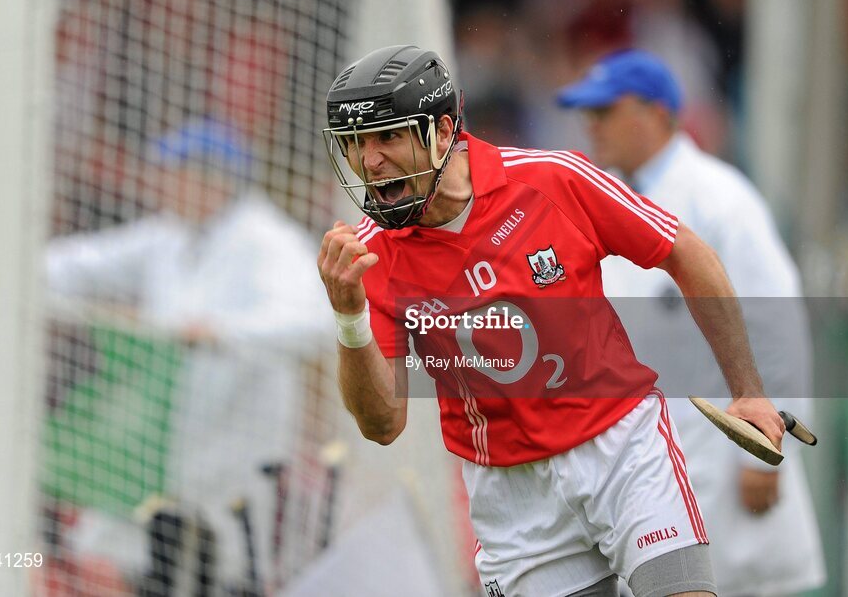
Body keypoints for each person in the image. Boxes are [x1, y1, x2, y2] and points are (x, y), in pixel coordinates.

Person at [317, 44, 786, 597]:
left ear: (442, 131)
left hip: (622, 450)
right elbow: (383, 424)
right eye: (356, 144)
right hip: (512, 498)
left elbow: (685, 253)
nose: (369, 162)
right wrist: (350, 319)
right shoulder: (368, 258)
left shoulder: (552, 179)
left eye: (388, 137)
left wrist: (748, 391)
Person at [557, 49, 826, 596]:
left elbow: (778, 327)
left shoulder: (721, 199)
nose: (592, 126)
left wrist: (770, 458)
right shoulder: (599, 196)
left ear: (656, 113)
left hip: (725, 464)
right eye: (588, 113)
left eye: (606, 111)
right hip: (645, 468)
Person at [46, 117, 329, 593]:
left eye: (173, 171)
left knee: (225, 578)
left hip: (235, 464)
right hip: (163, 453)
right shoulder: (168, 236)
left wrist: (225, 333)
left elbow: (316, 324)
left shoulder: (269, 242)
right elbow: (81, 266)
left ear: (211, 179)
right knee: (122, 563)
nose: (161, 182)